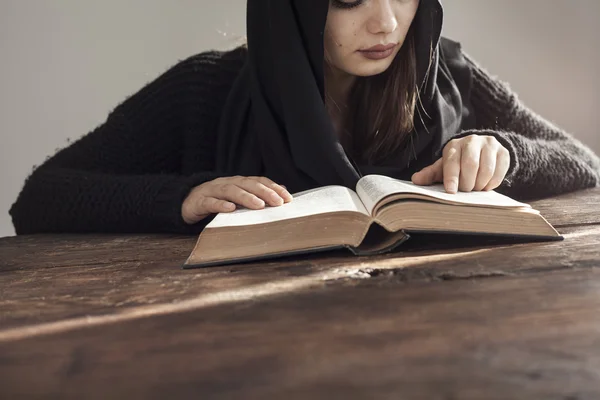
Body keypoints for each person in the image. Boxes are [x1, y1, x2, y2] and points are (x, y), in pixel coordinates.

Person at [10, 0, 600, 235]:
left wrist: (506, 151)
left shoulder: (445, 75)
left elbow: (584, 162)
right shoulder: (206, 90)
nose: (388, 24)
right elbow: (40, 197)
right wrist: (182, 197)